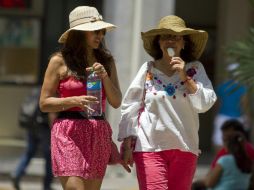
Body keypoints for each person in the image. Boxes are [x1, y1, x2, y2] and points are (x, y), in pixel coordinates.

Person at [118, 15, 217, 190]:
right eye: (165, 36)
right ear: (158, 42)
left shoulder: (195, 69)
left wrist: (185, 77)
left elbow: (204, 104)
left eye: (176, 37)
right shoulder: (148, 69)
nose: (170, 41)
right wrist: (127, 143)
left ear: (184, 43)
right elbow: (131, 105)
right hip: (149, 146)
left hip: (185, 146)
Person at [39, 6, 122, 190]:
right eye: (94, 31)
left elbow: (116, 102)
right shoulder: (58, 61)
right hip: (68, 131)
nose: (100, 35)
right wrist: (73, 101)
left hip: (97, 132)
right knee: (75, 188)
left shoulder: (106, 61)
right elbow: (44, 103)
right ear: (78, 33)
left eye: (101, 31)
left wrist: (104, 77)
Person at [11, 86, 54, 190]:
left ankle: (17, 173)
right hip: (44, 127)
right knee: (49, 157)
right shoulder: (51, 90)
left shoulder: (36, 90)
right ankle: (46, 186)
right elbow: (51, 113)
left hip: (32, 126)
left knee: (29, 152)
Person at [192, 119, 254, 190]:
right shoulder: (248, 159)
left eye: (225, 138)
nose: (223, 139)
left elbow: (209, 182)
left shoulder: (225, 159)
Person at [212, 63, 250, 152]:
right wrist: (247, 117)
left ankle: (219, 161)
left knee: (219, 140)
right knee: (237, 142)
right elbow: (244, 104)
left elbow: (216, 104)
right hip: (237, 118)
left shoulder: (221, 87)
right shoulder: (242, 88)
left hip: (222, 117)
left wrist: (216, 117)